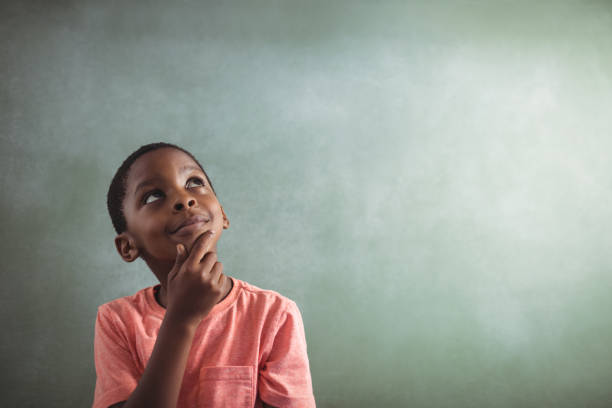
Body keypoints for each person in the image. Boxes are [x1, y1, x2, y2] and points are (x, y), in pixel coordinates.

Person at [92, 142, 316, 408]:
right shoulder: (117, 321)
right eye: (153, 196)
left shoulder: (275, 315)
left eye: (194, 182)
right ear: (128, 246)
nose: (184, 199)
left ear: (222, 214)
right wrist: (181, 320)